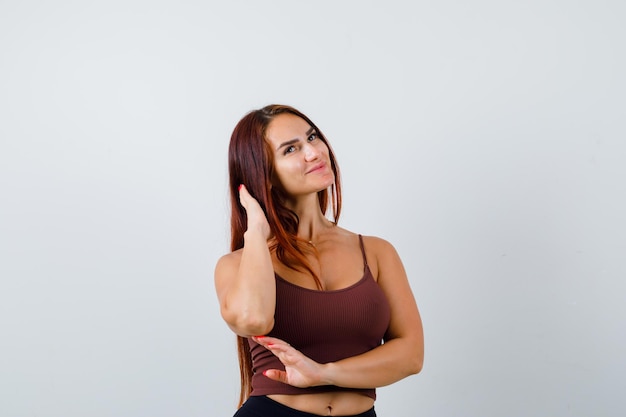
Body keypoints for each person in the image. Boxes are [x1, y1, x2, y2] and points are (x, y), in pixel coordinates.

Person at [214, 104, 424, 417]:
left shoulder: (378, 253)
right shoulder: (237, 264)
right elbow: (253, 320)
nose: (313, 152)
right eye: (291, 149)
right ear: (264, 174)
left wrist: (323, 373)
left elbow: (411, 356)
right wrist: (256, 230)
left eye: (312, 138)